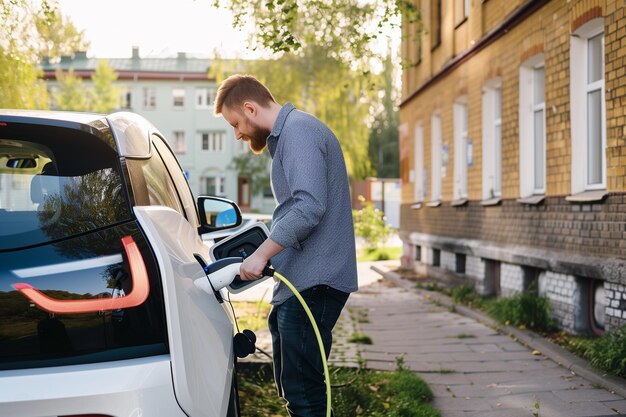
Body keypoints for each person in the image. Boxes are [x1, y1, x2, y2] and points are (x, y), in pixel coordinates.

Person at [214, 74, 358, 417]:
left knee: (304, 393)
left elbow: (309, 206)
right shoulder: (291, 136)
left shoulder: (299, 131)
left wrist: (262, 254)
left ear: (250, 108)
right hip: (305, 280)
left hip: (316, 281)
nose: (237, 134)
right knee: (298, 387)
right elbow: (298, 207)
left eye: (236, 123)